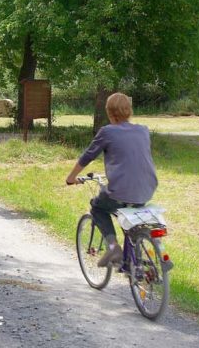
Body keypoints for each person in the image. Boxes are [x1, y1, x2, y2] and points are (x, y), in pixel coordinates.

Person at [65, 92, 158, 267]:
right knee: (131, 219)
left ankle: (114, 247)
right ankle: (137, 257)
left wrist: (71, 178)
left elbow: (87, 157)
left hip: (120, 191)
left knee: (98, 207)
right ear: (129, 111)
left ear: (109, 112)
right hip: (147, 189)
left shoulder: (107, 131)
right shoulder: (143, 130)